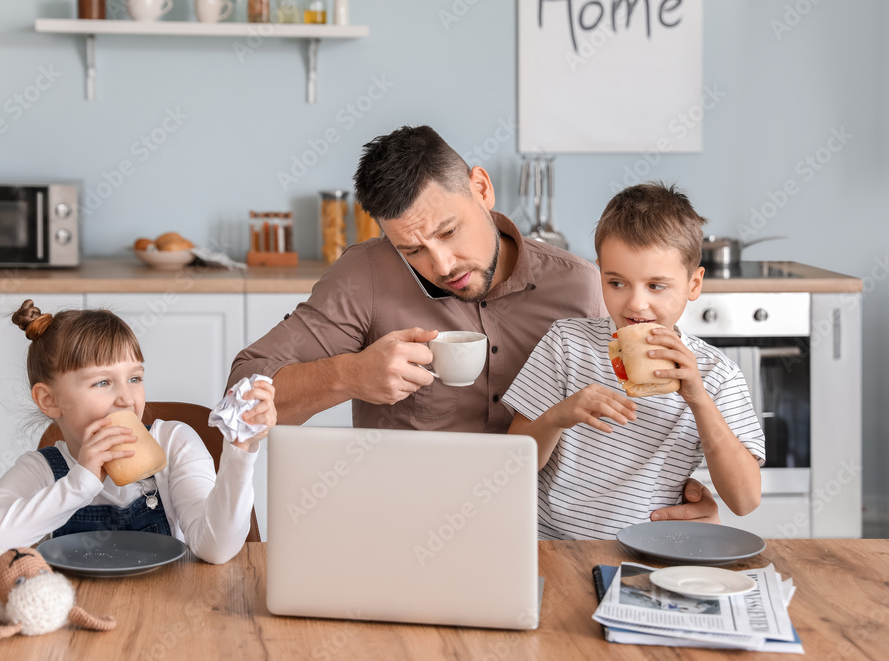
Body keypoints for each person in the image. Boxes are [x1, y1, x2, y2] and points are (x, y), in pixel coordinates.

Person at [231, 125, 720, 523]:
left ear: (481, 189)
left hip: (538, 533)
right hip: (405, 525)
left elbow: (618, 423)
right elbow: (242, 391)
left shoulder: (582, 286)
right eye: (412, 250)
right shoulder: (366, 276)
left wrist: (680, 500)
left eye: (448, 231)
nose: (442, 263)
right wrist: (350, 376)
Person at [504, 182, 764, 540]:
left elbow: (745, 500)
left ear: (693, 283)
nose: (636, 304)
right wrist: (558, 416)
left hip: (653, 550)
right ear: (600, 274)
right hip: (551, 547)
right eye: (617, 283)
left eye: (656, 286)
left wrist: (699, 399)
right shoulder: (566, 343)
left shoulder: (717, 375)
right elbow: (512, 467)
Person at [0, 299, 276, 565]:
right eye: (103, 382)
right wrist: (80, 484)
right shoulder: (40, 470)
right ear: (49, 400)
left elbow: (216, 549)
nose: (126, 398)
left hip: (169, 607)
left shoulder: (175, 443)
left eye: (134, 378)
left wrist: (240, 451)